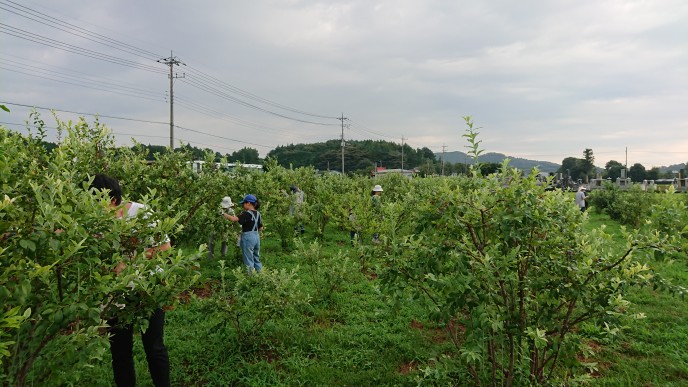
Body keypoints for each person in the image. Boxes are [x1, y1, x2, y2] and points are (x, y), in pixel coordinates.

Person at [89, 174, 171, 387]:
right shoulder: (96, 222)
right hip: (115, 297)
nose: (93, 207)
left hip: (148, 290)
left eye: (97, 201)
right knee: (120, 353)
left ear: (112, 199)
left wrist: (131, 262)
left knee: (154, 347)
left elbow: (164, 248)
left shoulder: (142, 213)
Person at [222, 194, 264, 273]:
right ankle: (260, 274)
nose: (243, 205)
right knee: (256, 257)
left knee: (248, 259)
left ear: (248, 203)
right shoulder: (258, 214)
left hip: (248, 237)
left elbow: (234, 219)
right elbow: (261, 228)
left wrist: (224, 214)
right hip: (256, 237)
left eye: (243, 203)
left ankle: (251, 277)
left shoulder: (246, 213)